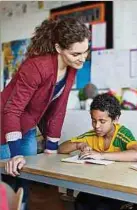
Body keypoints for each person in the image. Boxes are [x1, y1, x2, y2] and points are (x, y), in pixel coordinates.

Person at [1, 16, 91, 209]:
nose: (82, 58)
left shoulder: (71, 67)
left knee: (25, 182)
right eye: (76, 53)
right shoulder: (35, 67)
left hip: (27, 128)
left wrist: (51, 147)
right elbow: (12, 110)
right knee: (7, 182)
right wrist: (15, 153)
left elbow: (59, 109)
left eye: (85, 51)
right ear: (59, 48)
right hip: (4, 129)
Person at [58, 93, 137, 210]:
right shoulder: (92, 134)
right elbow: (61, 148)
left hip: (120, 187)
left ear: (115, 119)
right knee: (81, 202)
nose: (97, 126)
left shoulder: (122, 134)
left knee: (102, 207)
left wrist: (101, 155)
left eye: (102, 121)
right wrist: (79, 144)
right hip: (97, 186)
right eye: (94, 121)